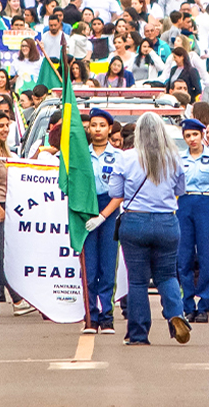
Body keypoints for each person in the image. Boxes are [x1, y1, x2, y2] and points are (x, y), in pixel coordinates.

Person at [90, 112, 191, 346]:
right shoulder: (173, 158)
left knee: (137, 281)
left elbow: (115, 192)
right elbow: (181, 190)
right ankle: (176, 313)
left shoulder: (125, 158)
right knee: (167, 275)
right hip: (166, 221)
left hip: (135, 221)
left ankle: (138, 333)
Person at [0, 109, 31, 316]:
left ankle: (16, 298)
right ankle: (16, 299)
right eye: (1, 126)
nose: (5, 130)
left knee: (7, 254)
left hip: (8, 207)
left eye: (7, 126)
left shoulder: (6, 151)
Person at [176, 118, 209, 323]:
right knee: (183, 257)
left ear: (202, 135)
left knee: (206, 257)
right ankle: (187, 304)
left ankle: (204, 303)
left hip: (205, 203)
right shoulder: (179, 158)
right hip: (184, 203)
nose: (192, 139)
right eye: (188, 136)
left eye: (195, 134)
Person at [81, 108, 121, 333]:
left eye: (102, 126)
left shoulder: (118, 156)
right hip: (86, 208)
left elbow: (121, 192)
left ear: (110, 129)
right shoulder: (81, 155)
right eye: (93, 125)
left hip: (109, 209)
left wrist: (104, 215)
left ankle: (106, 316)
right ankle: (90, 317)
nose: (97, 130)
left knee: (107, 265)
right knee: (89, 266)